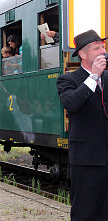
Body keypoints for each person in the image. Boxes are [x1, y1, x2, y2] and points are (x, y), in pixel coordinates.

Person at [57, 29, 108, 220]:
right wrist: (93, 76)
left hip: (106, 156)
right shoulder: (68, 79)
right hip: (87, 158)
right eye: (97, 48)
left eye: (103, 47)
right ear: (83, 54)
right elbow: (71, 104)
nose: (103, 51)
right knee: (84, 211)